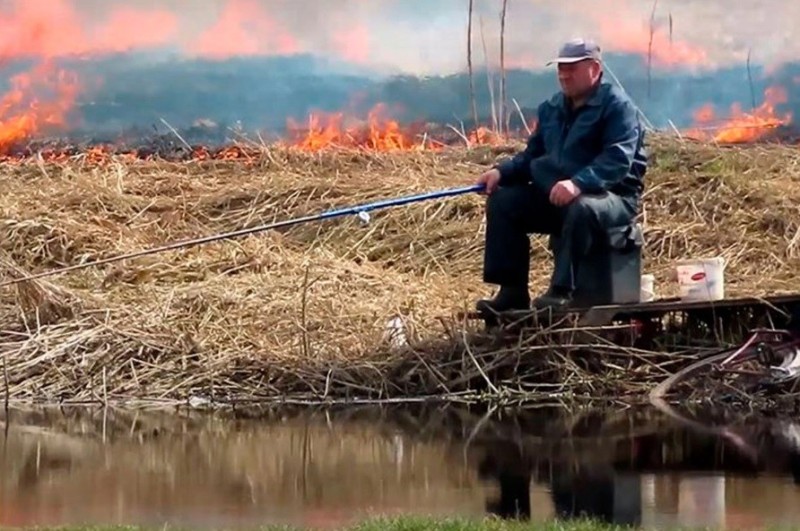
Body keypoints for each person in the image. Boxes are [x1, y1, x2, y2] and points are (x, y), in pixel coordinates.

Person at [475, 38, 648, 313]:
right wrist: (501, 172)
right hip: (560, 196)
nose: (564, 75)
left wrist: (579, 183)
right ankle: (511, 292)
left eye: (572, 68)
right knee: (503, 202)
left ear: (595, 69)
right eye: (560, 69)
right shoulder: (552, 109)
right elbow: (532, 156)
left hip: (612, 198)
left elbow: (618, 159)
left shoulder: (618, 107)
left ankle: (561, 292)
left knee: (581, 207)